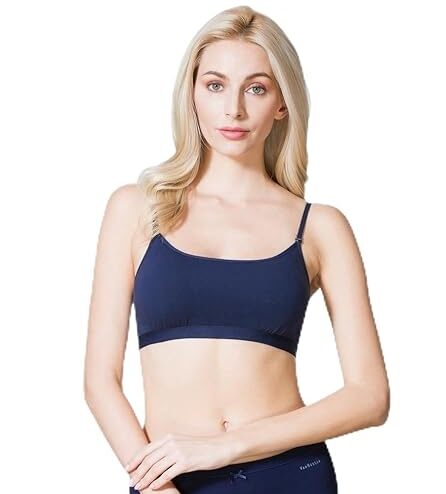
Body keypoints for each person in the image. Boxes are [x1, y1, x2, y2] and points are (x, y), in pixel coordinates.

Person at [84, 5, 390, 493]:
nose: (234, 109)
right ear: (192, 94)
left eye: (256, 88)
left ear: (282, 102)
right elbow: (100, 380)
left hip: (289, 475)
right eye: (215, 85)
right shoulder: (136, 209)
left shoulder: (320, 227)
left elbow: (370, 396)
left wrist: (225, 446)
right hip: (170, 479)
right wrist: (156, 486)